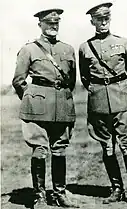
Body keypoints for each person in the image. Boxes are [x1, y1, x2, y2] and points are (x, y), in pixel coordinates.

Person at [79, 2, 127, 206]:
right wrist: (100, 91)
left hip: (122, 102)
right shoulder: (85, 48)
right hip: (98, 103)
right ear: (92, 22)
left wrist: (124, 92)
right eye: (99, 19)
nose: (103, 22)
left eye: (106, 18)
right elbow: (85, 77)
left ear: (110, 19)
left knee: (126, 146)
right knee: (107, 147)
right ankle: (116, 189)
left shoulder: (123, 42)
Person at [12, 8, 78, 208]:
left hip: (61, 106)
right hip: (37, 108)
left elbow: (71, 81)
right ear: (40, 24)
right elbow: (18, 80)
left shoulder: (67, 49)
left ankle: (59, 194)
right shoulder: (29, 49)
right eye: (49, 23)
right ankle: (39, 196)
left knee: (59, 151)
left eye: (56, 23)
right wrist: (33, 98)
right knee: (40, 150)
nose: (53, 26)